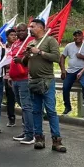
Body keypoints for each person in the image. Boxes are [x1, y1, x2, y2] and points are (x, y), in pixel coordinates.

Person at [23, 19, 66, 152]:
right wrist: (26, 56)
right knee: (36, 111)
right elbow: (25, 63)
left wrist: (40, 52)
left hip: (47, 80)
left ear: (41, 28)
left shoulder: (50, 40)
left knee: (51, 111)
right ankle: (39, 138)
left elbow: (56, 57)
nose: (30, 28)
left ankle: (56, 140)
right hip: (33, 81)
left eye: (33, 26)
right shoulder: (31, 43)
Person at [9, 24, 35, 145]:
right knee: (22, 106)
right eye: (17, 31)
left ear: (27, 31)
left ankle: (31, 134)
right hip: (15, 79)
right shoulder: (15, 43)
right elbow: (10, 59)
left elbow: (32, 58)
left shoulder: (30, 42)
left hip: (25, 78)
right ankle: (26, 130)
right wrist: (10, 74)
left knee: (26, 106)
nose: (20, 33)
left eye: (22, 30)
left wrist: (22, 60)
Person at [60, 30, 84, 116]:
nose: (77, 37)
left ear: (82, 37)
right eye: (75, 36)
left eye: (79, 36)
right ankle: (67, 107)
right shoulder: (69, 46)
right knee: (65, 87)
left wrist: (82, 57)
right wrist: (63, 70)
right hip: (71, 70)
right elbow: (62, 57)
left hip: (82, 70)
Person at [4, 28, 18, 127]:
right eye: (11, 35)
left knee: (21, 98)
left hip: (20, 76)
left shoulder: (19, 47)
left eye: (15, 35)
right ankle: (11, 117)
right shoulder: (3, 48)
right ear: (7, 37)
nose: (14, 36)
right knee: (11, 98)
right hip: (8, 76)